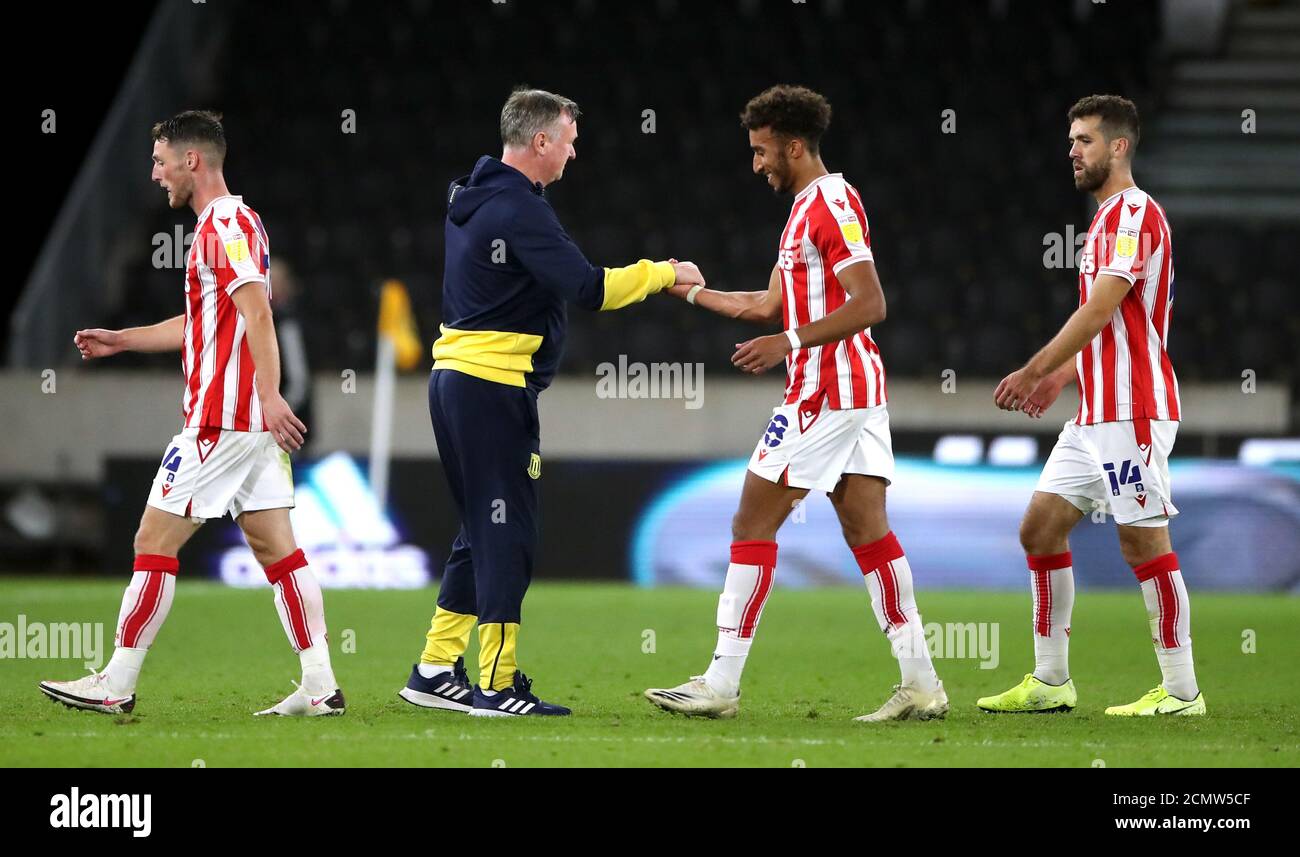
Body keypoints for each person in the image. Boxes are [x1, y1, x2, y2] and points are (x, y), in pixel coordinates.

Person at [397, 88, 704, 717]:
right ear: (540, 142)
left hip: (455, 382)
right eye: (568, 138)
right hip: (491, 391)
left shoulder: (473, 195)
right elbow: (590, 288)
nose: (573, 150)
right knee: (509, 536)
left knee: (480, 530)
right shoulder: (519, 210)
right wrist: (665, 272)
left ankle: (434, 666)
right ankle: (497, 684)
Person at [644, 85, 947, 722]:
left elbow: (871, 304)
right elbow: (767, 306)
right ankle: (921, 683)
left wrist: (788, 342)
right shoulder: (804, 209)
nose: (755, 165)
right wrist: (685, 289)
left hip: (828, 390)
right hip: (854, 389)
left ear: (794, 144)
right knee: (869, 531)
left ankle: (720, 683)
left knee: (751, 523)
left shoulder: (832, 204)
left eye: (761, 152)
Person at [40, 110, 343, 717]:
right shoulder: (233, 223)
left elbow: (259, 313)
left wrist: (269, 394)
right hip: (247, 426)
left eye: (160, 161)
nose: (155, 174)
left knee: (152, 539)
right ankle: (319, 685)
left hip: (222, 422)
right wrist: (121, 340)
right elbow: (205, 324)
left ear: (191, 160)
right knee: (277, 548)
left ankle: (117, 683)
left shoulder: (223, 224)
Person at [979, 94, 1204, 716]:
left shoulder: (1132, 213)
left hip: (1132, 409)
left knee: (1143, 544)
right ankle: (1051, 682)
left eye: (1084, 140)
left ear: (1119, 146)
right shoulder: (1105, 219)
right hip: (1095, 414)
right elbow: (1109, 325)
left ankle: (1182, 691)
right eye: (1071, 140)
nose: (1072, 151)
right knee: (1040, 529)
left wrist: (1035, 368)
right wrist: (1067, 376)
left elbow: (1101, 307)